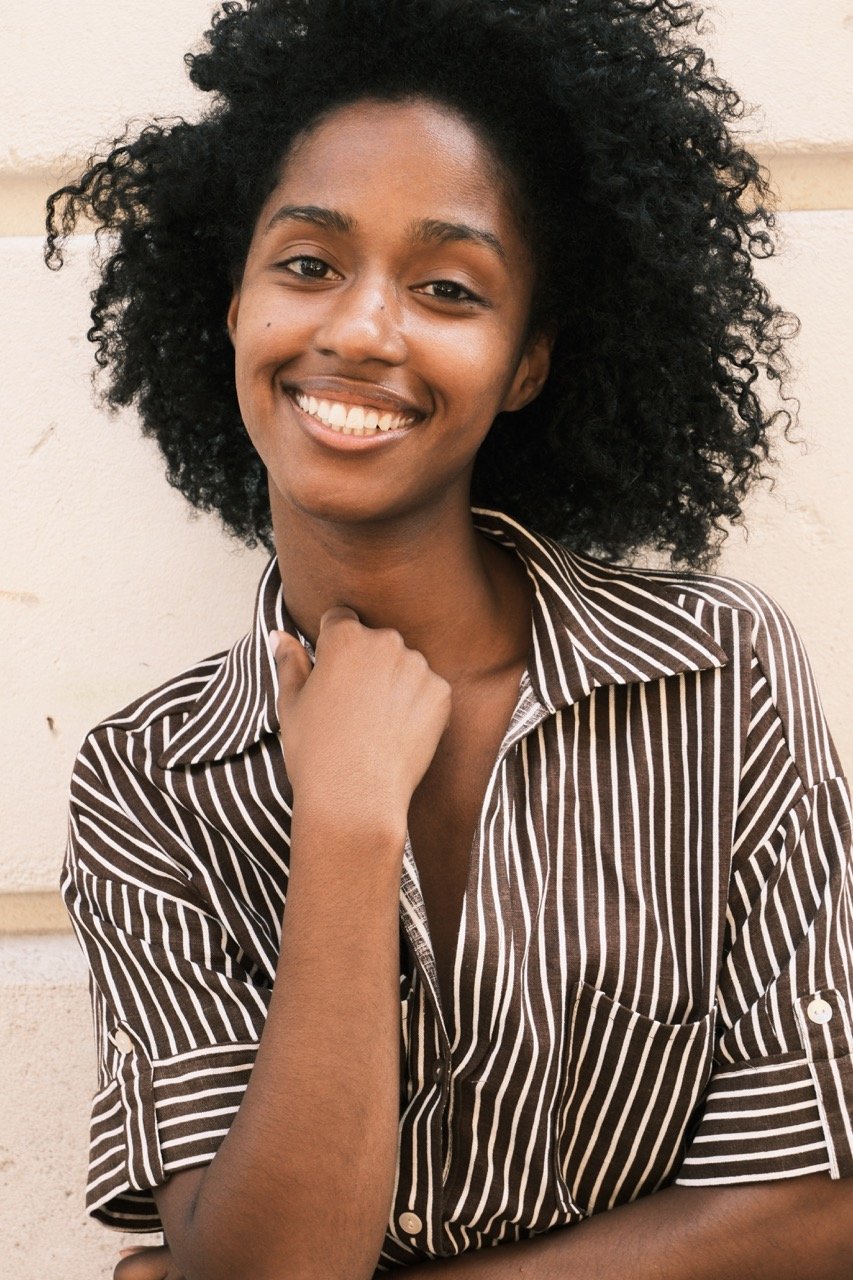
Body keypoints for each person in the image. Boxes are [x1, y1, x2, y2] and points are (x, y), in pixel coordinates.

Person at [49, 1, 853, 1277]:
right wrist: (350, 825)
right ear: (231, 307)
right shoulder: (150, 782)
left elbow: (815, 1207)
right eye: (307, 263)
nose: (363, 330)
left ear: (527, 361)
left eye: (446, 287)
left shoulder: (720, 675)